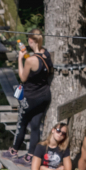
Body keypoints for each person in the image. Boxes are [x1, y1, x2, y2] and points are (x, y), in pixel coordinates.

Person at [9, 29, 53, 159]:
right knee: (35, 126)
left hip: (30, 98)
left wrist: (20, 59)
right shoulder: (46, 54)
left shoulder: (30, 60)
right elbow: (38, 67)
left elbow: (23, 78)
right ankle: (30, 156)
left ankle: (14, 151)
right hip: (44, 96)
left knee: (21, 123)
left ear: (31, 40)